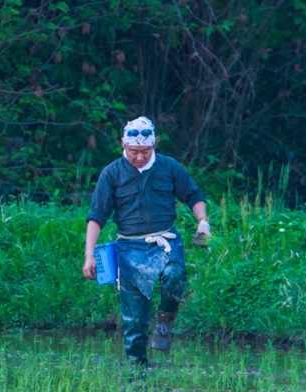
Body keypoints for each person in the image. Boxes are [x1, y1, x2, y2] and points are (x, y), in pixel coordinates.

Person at [82, 117, 210, 364]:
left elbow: (194, 195)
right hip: (129, 249)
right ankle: (137, 379)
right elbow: (97, 217)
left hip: (165, 242)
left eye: (145, 151)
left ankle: (164, 321)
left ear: (154, 145)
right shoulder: (111, 174)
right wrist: (89, 255)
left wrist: (202, 221)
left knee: (175, 275)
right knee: (135, 324)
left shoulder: (169, 167)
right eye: (133, 152)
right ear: (123, 144)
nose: (139, 157)